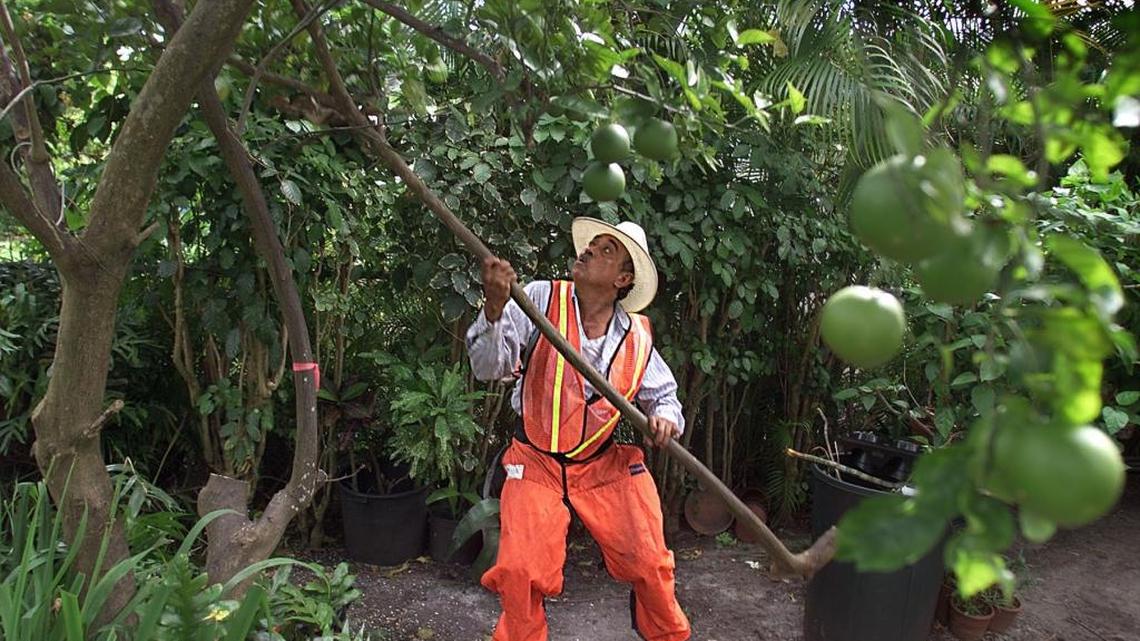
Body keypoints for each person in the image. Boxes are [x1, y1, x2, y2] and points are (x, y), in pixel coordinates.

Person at [466, 217, 691, 641]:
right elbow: (487, 369)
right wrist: (493, 310)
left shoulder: (637, 338)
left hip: (601, 464)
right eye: (593, 245)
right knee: (519, 570)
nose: (588, 251)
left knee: (650, 561)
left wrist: (665, 419)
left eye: (607, 250)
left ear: (623, 279)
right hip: (535, 461)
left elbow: (665, 397)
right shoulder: (539, 298)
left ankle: (665, 635)